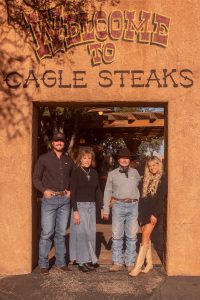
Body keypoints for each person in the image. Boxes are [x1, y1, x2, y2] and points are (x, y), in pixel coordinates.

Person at [33, 132, 74, 275]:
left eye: (61, 141)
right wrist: (44, 190)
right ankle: (43, 264)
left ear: (64, 143)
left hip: (64, 200)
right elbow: (36, 178)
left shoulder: (69, 160)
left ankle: (61, 262)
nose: (59, 143)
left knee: (61, 233)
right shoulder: (43, 159)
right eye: (56, 141)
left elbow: (73, 179)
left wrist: (70, 191)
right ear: (52, 143)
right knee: (47, 232)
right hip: (49, 200)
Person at [102, 148, 141, 272]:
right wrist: (106, 208)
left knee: (132, 236)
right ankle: (117, 262)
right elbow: (107, 191)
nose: (124, 160)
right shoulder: (112, 174)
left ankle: (130, 262)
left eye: (127, 158)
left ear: (130, 160)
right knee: (117, 235)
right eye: (122, 158)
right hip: (118, 205)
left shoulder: (135, 173)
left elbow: (141, 188)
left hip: (133, 206)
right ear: (118, 160)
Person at [129, 156, 167, 276]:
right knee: (147, 237)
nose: (152, 168)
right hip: (144, 213)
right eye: (150, 166)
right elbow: (142, 199)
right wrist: (140, 215)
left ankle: (138, 267)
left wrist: (155, 214)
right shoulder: (146, 179)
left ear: (158, 165)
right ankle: (149, 264)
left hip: (154, 213)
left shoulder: (163, 178)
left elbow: (161, 199)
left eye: (154, 165)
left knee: (144, 237)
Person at [69, 149, 103, 272]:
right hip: (80, 206)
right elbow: (73, 193)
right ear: (80, 159)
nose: (87, 160)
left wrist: (102, 207)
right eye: (84, 157)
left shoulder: (94, 173)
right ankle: (81, 261)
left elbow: (98, 191)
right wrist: (75, 211)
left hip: (91, 206)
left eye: (89, 158)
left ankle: (89, 259)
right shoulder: (76, 172)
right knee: (82, 235)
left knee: (91, 234)